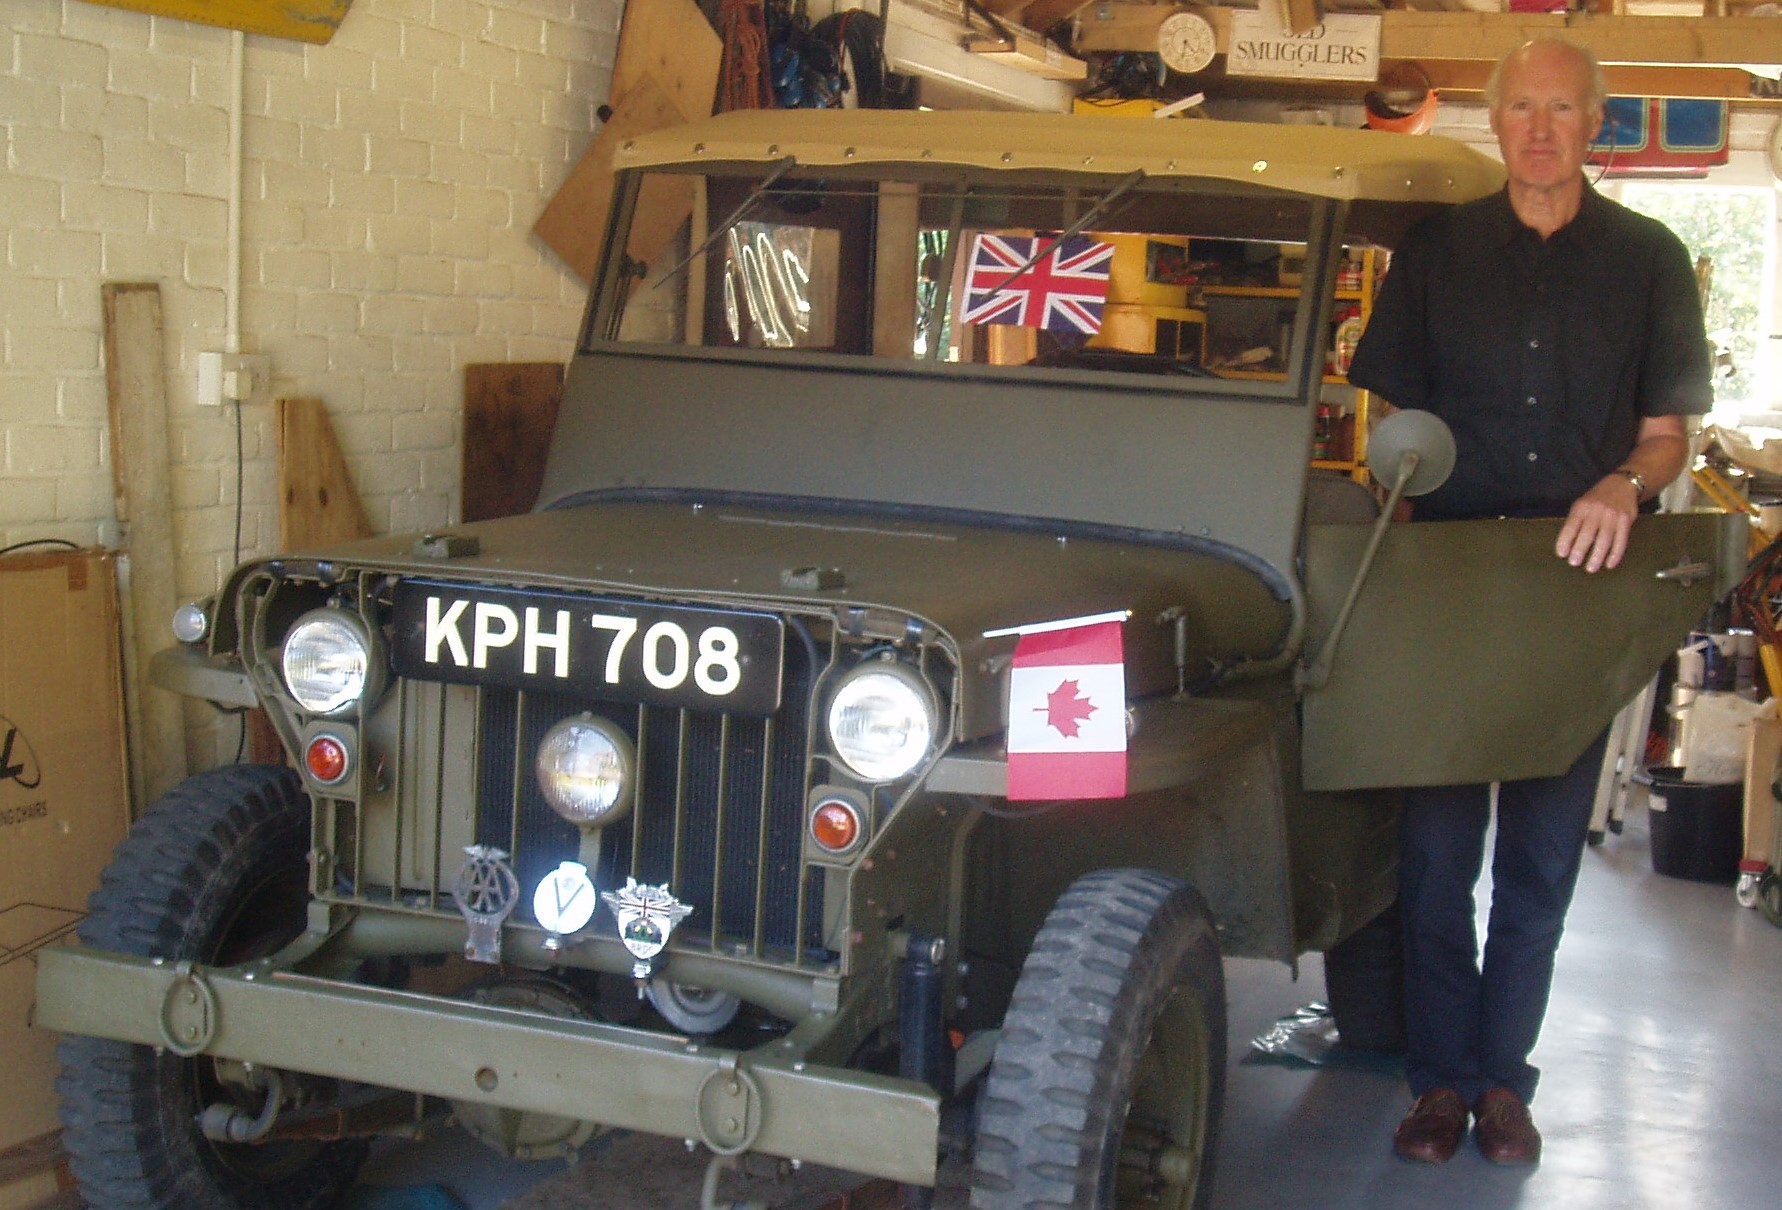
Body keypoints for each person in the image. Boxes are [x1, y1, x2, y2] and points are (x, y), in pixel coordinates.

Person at [1345, 37, 1713, 1166]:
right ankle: (1437, 1086)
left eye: (1563, 108)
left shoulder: (1652, 259)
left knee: (1543, 862)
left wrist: (1622, 484)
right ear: (1494, 123)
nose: (1541, 128)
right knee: (1436, 860)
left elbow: (1665, 440)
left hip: (1581, 590)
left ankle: (1504, 1082)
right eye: (1522, 108)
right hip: (1453, 587)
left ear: (1593, 123)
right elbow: (1391, 439)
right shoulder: (1436, 254)